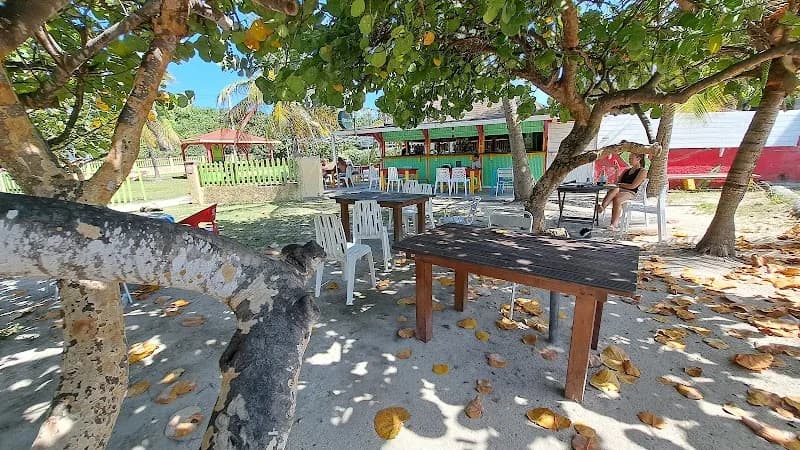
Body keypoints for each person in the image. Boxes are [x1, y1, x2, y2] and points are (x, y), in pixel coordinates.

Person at [596, 153, 648, 231]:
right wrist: (617, 170)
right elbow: (617, 182)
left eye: (631, 158)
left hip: (632, 193)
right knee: (615, 189)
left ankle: (613, 224)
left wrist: (620, 185)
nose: (629, 160)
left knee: (617, 198)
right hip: (621, 190)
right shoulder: (627, 170)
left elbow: (633, 186)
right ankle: (602, 208)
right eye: (629, 158)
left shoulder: (642, 171)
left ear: (638, 159)